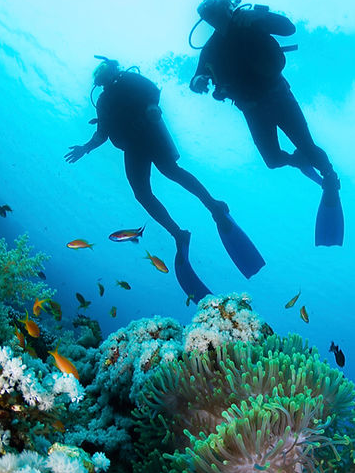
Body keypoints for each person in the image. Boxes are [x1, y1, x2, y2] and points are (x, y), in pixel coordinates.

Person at [65, 57, 264, 301]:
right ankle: (179, 233)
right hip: (133, 147)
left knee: (172, 171)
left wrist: (151, 106)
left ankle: (213, 206)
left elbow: (153, 91)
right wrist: (85, 147)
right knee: (143, 192)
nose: (100, 75)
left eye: (103, 70)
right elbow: (102, 134)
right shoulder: (104, 101)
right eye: (98, 73)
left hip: (150, 132)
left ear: (112, 68)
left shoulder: (129, 78)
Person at [190, 0, 344, 246]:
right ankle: (299, 161)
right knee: (272, 161)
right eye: (210, 18)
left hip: (279, 97)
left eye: (217, 14)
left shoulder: (251, 22)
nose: (216, 20)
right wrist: (197, 83)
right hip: (253, 110)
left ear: (228, 9)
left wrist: (260, 16)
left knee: (308, 145)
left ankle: (329, 177)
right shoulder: (210, 49)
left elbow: (289, 28)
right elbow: (197, 76)